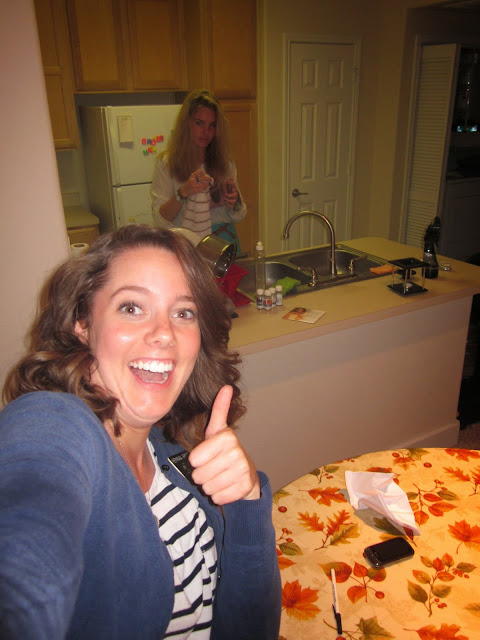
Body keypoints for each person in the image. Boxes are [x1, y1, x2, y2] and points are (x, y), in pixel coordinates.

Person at [0, 225, 281, 639]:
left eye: (183, 312)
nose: (165, 333)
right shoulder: (55, 424)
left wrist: (246, 503)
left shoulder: (171, 451)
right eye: (132, 307)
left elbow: (252, 626)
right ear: (82, 322)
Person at [151, 89, 246, 253]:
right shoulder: (167, 164)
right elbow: (160, 221)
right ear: (186, 124)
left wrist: (234, 200)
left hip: (225, 243)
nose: (206, 132)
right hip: (188, 248)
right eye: (199, 123)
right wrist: (183, 193)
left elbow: (239, 215)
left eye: (212, 125)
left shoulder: (225, 163)